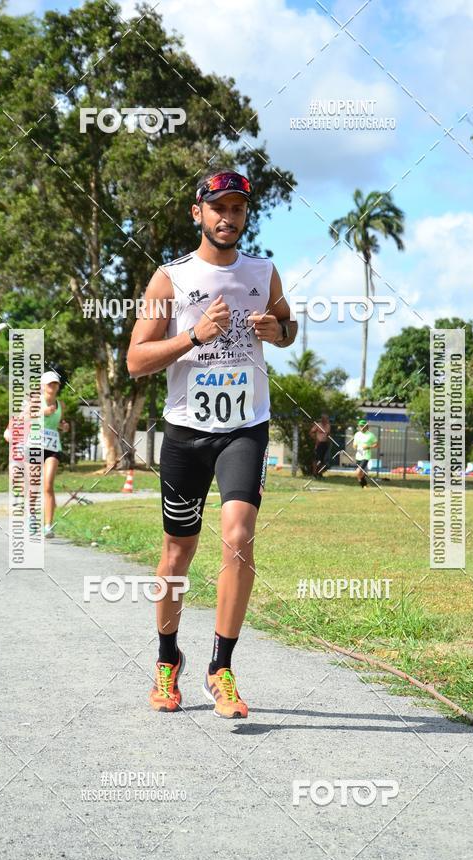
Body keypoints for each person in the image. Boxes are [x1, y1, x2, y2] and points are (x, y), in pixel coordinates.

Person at [127, 169, 297, 719]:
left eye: (237, 209)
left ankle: (221, 667)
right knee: (178, 551)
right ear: (198, 213)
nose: (228, 217)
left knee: (239, 537)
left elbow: (288, 326)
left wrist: (279, 332)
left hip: (245, 427)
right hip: (185, 432)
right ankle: (167, 657)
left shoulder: (264, 272)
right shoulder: (169, 279)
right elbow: (135, 361)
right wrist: (194, 335)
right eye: (218, 207)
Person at [38, 371, 69, 537]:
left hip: (53, 447)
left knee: (48, 485)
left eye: (55, 383)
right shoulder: (35, 402)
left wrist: (63, 426)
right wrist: (42, 412)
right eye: (50, 383)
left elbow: (58, 422)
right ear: (42, 386)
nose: (53, 386)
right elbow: (23, 418)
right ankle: (31, 518)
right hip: (34, 446)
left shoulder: (60, 404)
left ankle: (48, 526)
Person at [352, 418, 378, 488]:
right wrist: (354, 446)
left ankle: (363, 485)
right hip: (358, 455)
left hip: (366, 456)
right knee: (360, 473)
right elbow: (354, 444)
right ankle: (365, 485)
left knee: (358, 471)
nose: (361, 427)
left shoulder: (371, 435)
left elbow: (376, 445)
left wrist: (368, 446)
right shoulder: (357, 434)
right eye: (360, 426)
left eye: (362, 426)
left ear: (366, 426)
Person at [309, 413, 331, 478]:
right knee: (316, 459)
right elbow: (311, 432)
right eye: (325, 419)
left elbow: (328, 434)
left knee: (323, 460)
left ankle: (320, 473)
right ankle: (314, 473)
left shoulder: (328, 426)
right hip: (319, 444)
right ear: (322, 419)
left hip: (325, 444)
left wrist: (329, 441)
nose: (327, 420)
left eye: (327, 419)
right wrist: (316, 439)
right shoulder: (318, 425)